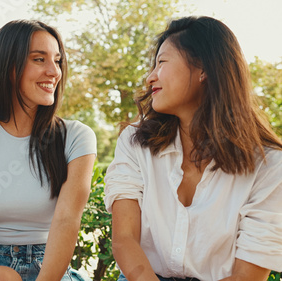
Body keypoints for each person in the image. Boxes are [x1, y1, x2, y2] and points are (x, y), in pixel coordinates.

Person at [104, 16, 282, 281]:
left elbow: (247, 276)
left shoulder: (269, 165)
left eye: (161, 62)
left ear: (203, 69)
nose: (150, 77)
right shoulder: (134, 141)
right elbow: (124, 239)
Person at [0, 19, 97, 281]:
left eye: (57, 61)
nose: (54, 71)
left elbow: (67, 221)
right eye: (39, 59)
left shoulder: (77, 137)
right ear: (10, 67)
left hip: (52, 267)